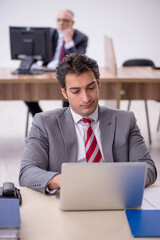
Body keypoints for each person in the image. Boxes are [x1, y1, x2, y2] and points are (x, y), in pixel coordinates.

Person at [19, 53, 157, 194]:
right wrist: (64, 180)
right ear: (65, 93)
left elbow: (149, 168)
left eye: (91, 88)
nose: (85, 98)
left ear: (99, 84)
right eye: (76, 91)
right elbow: (27, 172)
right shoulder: (44, 123)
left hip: (115, 194)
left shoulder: (125, 120)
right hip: (69, 194)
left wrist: (114, 181)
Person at [25, 9, 88, 116]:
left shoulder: (81, 37)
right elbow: (36, 51)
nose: (61, 23)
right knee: (26, 92)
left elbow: (77, 61)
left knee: (69, 94)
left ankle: (65, 123)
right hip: (47, 71)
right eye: (59, 20)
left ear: (72, 23)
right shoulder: (50, 33)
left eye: (65, 20)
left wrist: (68, 41)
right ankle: (42, 121)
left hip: (67, 73)